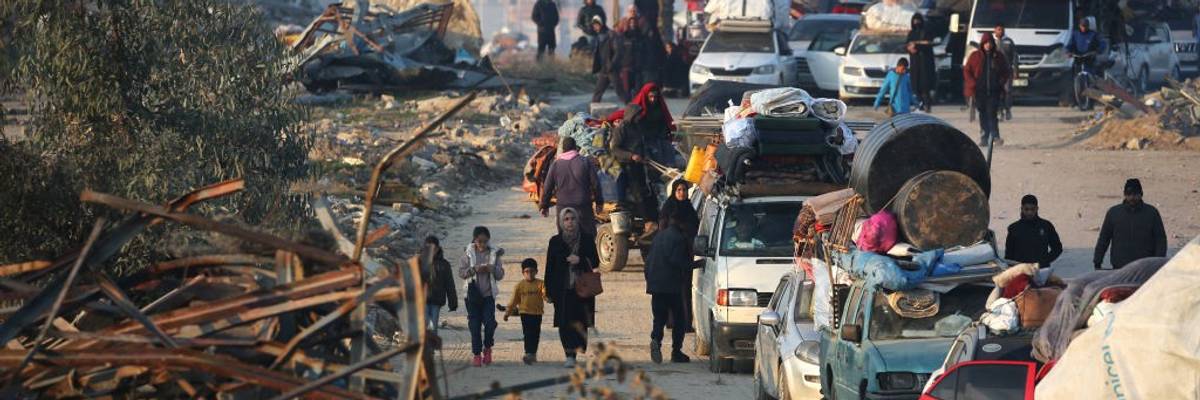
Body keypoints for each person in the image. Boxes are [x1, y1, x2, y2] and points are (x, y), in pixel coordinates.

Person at [610, 83, 674, 226]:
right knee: (639, 193)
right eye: (638, 115)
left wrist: (645, 157)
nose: (641, 117)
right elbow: (615, 149)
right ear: (633, 116)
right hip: (626, 164)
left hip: (639, 163)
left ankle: (654, 218)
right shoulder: (622, 128)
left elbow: (642, 144)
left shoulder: (638, 127)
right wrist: (631, 156)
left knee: (650, 190)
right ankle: (647, 221)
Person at [544, 208, 600, 368]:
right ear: (561, 222)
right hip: (562, 288)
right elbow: (550, 267)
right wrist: (548, 290)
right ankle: (569, 354)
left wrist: (580, 260)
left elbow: (595, 261)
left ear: (577, 221)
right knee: (564, 322)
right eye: (566, 219)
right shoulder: (555, 241)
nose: (570, 222)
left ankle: (578, 348)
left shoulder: (587, 239)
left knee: (581, 321)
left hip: (583, 288)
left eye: (572, 218)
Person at [644, 212, 692, 363]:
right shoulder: (679, 239)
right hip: (671, 286)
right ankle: (676, 351)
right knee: (680, 319)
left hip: (655, 285)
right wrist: (695, 265)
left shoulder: (659, 236)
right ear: (682, 224)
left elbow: (649, 260)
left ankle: (656, 341)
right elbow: (677, 261)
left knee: (659, 318)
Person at [458, 226, 506, 367]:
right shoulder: (467, 254)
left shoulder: (493, 254)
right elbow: (461, 273)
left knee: (490, 323)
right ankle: (477, 354)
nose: (482, 244)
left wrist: (493, 268)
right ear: (474, 240)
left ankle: (488, 347)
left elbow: (500, 275)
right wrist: (474, 270)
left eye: (485, 241)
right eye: (480, 241)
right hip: (472, 296)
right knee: (474, 326)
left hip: (488, 296)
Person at [1093, 179, 1167, 270]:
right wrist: (1097, 261)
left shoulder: (1151, 213)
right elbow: (1104, 239)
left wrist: (1158, 263)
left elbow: (1160, 240)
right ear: (1125, 194)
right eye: (1129, 194)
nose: (1132, 197)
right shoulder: (1114, 213)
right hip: (1120, 268)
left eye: (1135, 194)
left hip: (1145, 268)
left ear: (1141, 194)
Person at [540, 137, 603, 236]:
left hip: (563, 205)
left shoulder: (556, 164)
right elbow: (596, 184)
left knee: (564, 236)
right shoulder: (585, 162)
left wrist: (544, 206)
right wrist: (599, 203)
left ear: (563, 149)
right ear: (575, 148)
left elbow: (547, 187)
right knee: (587, 236)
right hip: (583, 205)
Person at [659, 180, 699, 332]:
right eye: (679, 190)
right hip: (671, 254)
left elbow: (695, 229)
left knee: (685, 289)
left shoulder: (690, 209)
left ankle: (685, 323)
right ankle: (672, 321)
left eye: (684, 190)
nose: (682, 193)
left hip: (686, 254)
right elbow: (662, 232)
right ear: (674, 192)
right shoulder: (668, 209)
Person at [964, 32, 1010, 146]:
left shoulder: (998, 56)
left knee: (992, 113)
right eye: (986, 43)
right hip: (979, 91)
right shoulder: (975, 56)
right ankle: (985, 137)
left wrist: (1001, 82)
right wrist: (972, 83)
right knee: (983, 113)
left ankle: (995, 136)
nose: (988, 45)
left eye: (990, 43)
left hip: (994, 91)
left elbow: (1006, 71)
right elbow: (966, 70)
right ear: (982, 44)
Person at [1004, 195, 1063, 276]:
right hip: (1020, 274)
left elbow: (1057, 248)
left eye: (1032, 209)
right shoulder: (1014, 228)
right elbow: (1009, 255)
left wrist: (1044, 262)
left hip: (1041, 272)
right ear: (1021, 209)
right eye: (1026, 209)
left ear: (1037, 209)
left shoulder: (1046, 226)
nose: (1029, 212)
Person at [504, 258, 548, 365]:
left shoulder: (540, 283)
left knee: (536, 334)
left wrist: (549, 297)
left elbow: (545, 295)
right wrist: (507, 313)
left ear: (536, 271)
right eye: (527, 271)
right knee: (527, 333)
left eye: (532, 271)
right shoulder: (519, 286)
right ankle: (528, 352)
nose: (529, 274)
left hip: (537, 313)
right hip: (525, 313)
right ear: (523, 272)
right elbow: (513, 301)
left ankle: (533, 353)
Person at [419, 236, 457, 334]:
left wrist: (453, 302)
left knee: (433, 326)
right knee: (425, 323)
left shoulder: (444, 265)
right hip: (422, 300)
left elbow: (450, 284)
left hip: (437, 300)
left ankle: (431, 347)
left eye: (434, 249)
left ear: (438, 249)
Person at [906, 14, 936, 112]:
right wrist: (910, 48)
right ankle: (920, 104)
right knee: (916, 85)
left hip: (925, 63)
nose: (916, 23)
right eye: (914, 21)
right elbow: (907, 44)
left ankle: (927, 104)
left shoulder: (926, 32)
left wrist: (917, 45)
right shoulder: (911, 33)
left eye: (918, 21)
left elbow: (928, 44)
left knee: (925, 86)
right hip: (915, 62)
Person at [590, 17, 622, 102]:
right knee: (597, 93)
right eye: (594, 25)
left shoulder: (611, 34)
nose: (595, 27)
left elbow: (618, 52)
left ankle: (633, 109)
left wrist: (612, 64)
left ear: (601, 24)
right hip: (604, 70)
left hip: (611, 69)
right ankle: (591, 113)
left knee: (620, 92)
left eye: (596, 25)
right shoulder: (598, 37)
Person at [993, 23, 1019, 121]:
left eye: (1002, 29)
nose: (1000, 31)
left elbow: (1015, 57)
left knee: (1007, 91)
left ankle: (1008, 109)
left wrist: (1016, 70)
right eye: (998, 29)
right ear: (994, 30)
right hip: (995, 72)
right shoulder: (991, 42)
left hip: (1007, 71)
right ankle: (999, 111)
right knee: (997, 92)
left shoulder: (1009, 41)